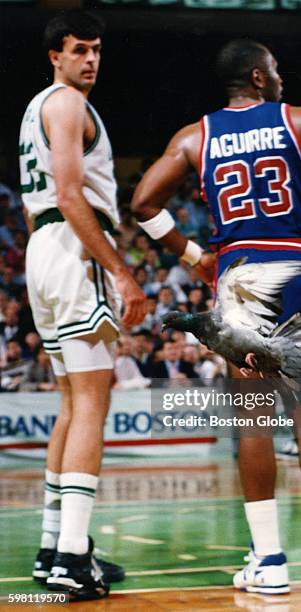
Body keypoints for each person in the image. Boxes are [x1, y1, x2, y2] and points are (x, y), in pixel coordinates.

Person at [132, 39, 301, 594]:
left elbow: (144, 202)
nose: (282, 77)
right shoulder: (299, 121)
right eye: (275, 69)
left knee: (253, 418)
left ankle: (268, 562)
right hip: (298, 266)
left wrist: (195, 257)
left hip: (240, 271)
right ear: (259, 78)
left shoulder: (195, 136)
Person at [19, 10, 146, 601]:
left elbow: (39, 202)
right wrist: (120, 270)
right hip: (74, 247)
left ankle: (52, 548)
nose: (90, 59)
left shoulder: (34, 110)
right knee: (95, 398)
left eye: (97, 50)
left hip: (43, 249)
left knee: (72, 400)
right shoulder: (67, 103)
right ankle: (73, 558)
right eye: (79, 50)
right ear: (56, 56)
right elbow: (71, 194)